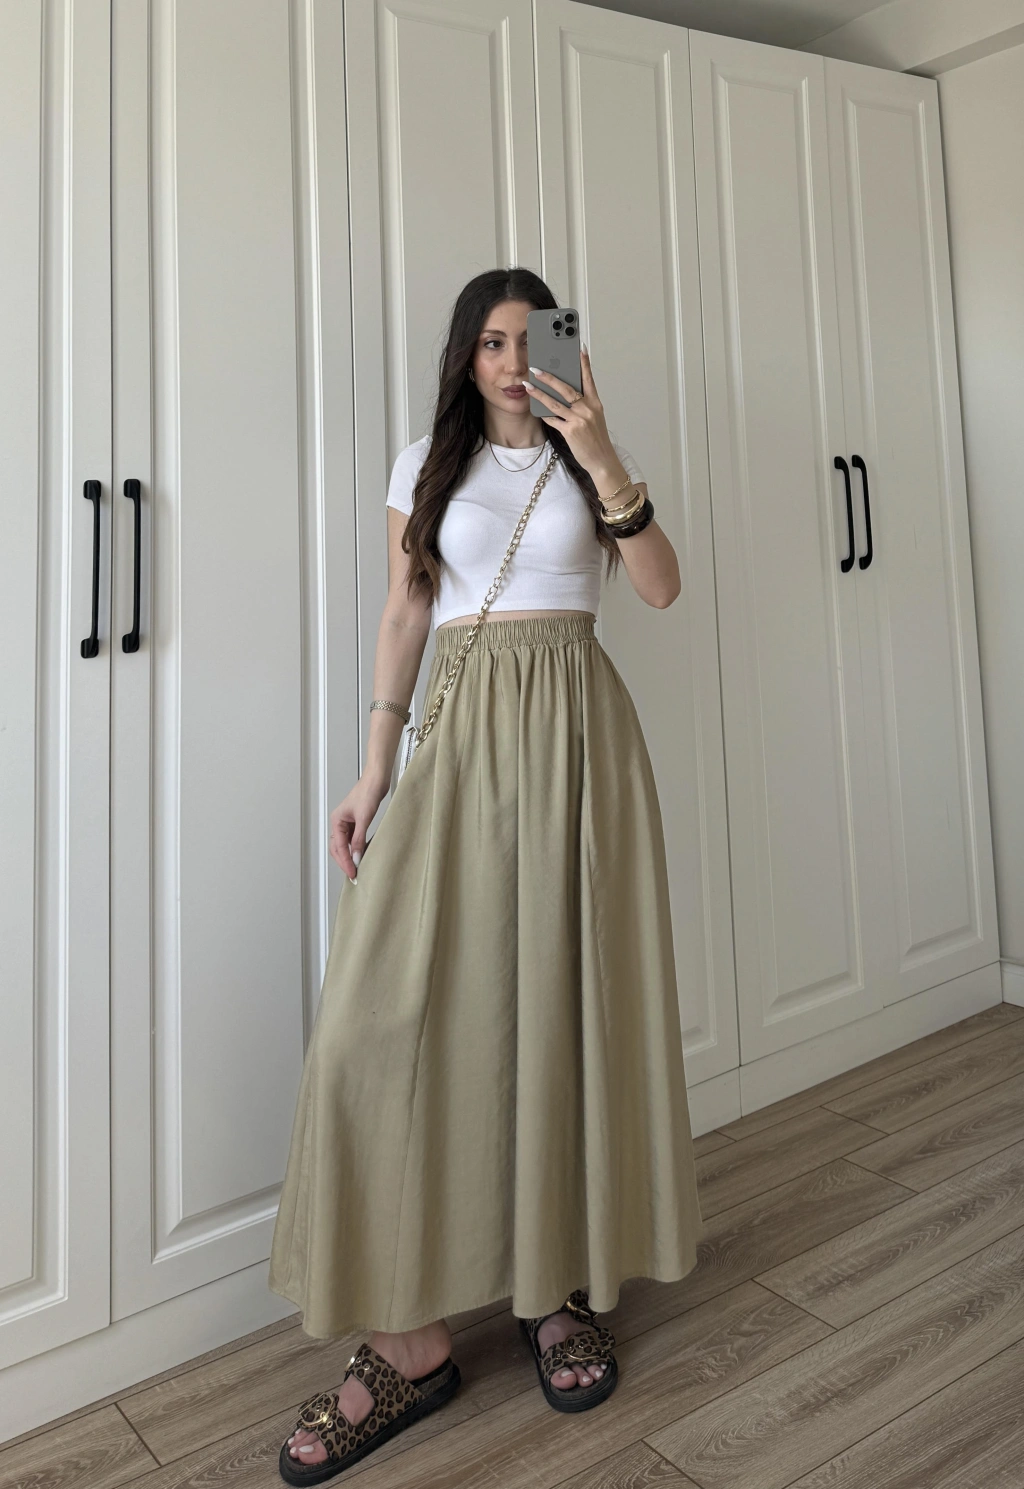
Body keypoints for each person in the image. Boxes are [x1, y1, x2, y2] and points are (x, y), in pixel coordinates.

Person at [270, 268, 703, 1483]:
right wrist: (374, 769)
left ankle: (551, 1287)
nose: (515, 363)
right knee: (375, 1025)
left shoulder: (589, 460)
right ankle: (408, 1343)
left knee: (560, 1006)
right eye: (494, 343)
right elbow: (405, 612)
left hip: (578, 744)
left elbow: (660, 586)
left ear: (564, 348)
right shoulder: (425, 464)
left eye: (534, 340)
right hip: (460, 747)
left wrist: (602, 455)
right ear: (466, 356)